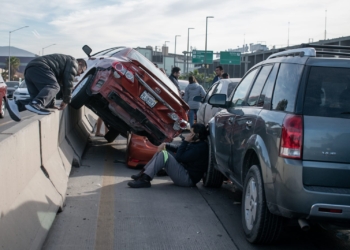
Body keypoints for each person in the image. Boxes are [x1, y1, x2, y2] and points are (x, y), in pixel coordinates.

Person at [6, 54, 87, 121]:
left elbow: (51, 90)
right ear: (79, 63)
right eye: (82, 71)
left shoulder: (64, 66)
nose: (80, 74)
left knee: (38, 98)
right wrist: (66, 100)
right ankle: (36, 104)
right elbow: (68, 83)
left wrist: (51, 104)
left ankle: (16, 104)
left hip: (30, 70)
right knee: (54, 87)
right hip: (40, 67)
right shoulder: (73, 63)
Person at [127, 123, 209, 188]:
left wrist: (186, 141)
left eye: (191, 133)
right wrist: (166, 145)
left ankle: (145, 180)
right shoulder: (196, 143)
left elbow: (179, 157)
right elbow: (178, 148)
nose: (188, 135)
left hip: (187, 179)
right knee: (164, 151)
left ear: (197, 135)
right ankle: (144, 173)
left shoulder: (199, 148)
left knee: (164, 154)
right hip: (184, 172)